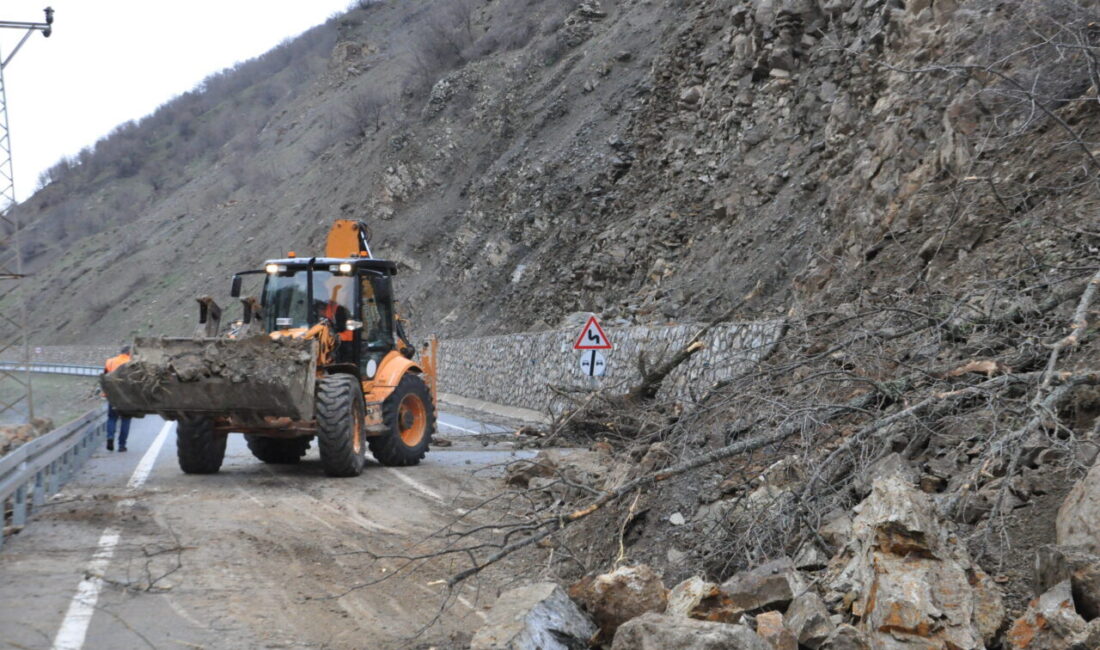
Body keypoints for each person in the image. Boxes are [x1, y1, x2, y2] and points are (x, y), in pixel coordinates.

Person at [103, 345, 132, 452]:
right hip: (127, 396)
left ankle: (110, 437)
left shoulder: (110, 361)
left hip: (113, 395)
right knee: (126, 419)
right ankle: (121, 445)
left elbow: (105, 378)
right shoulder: (132, 362)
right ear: (129, 353)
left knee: (112, 418)